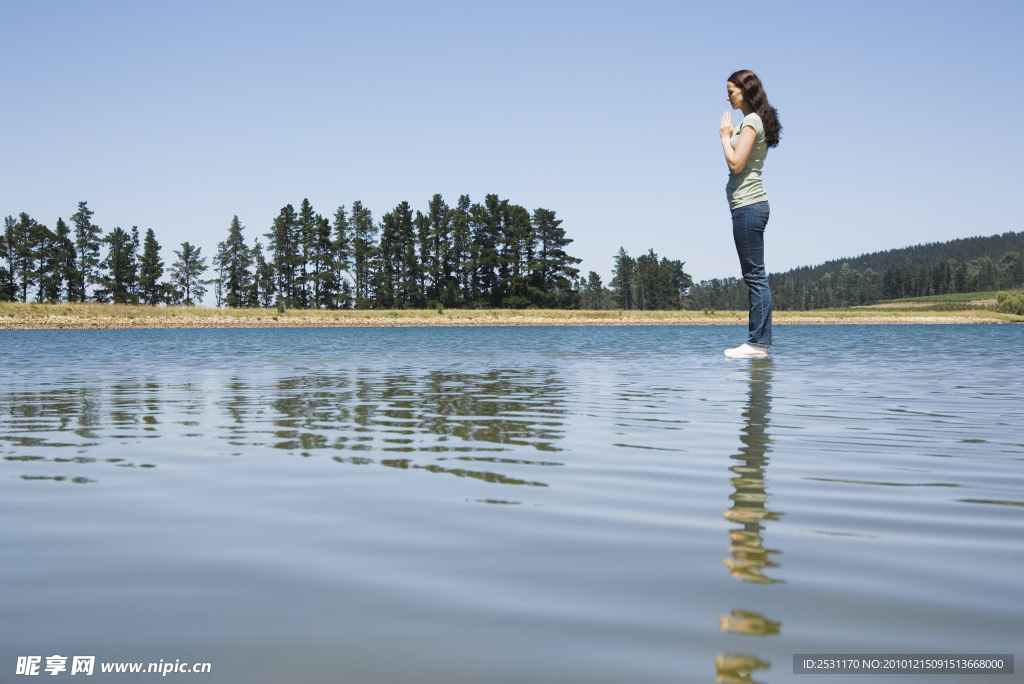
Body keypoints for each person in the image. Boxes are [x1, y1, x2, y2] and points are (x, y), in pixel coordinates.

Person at [719, 70, 782, 358]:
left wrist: (724, 138)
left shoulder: (751, 122)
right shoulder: (753, 121)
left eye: (731, 90)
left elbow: (736, 165)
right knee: (755, 275)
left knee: (755, 276)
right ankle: (759, 343)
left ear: (745, 91)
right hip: (748, 206)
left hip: (748, 205)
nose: (728, 95)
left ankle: (757, 343)